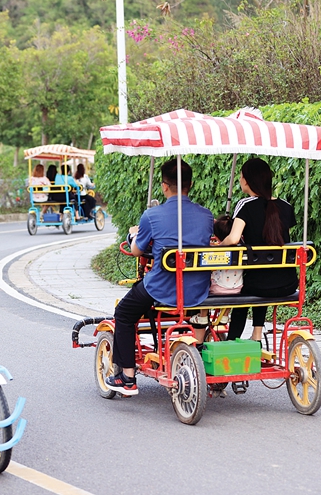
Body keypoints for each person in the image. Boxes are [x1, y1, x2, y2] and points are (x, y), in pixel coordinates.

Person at [105, 159, 214, 396]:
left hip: (162, 288)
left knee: (123, 313)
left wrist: (134, 234)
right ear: (191, 184)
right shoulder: (207, 216)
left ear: (164, 186)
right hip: (198, 289)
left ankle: (127, 377)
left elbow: (136, 250)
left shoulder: (151, 215)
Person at [219, 157, 298, 343]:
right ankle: (256, 336)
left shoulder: (245, 205)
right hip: (287, 282)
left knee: (243, 291)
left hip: (259, 285)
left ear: (247, 180)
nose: (239, 180)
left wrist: (218, 246)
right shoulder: (286, 207)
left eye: (240, 177)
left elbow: (234, 238)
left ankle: (231, 341)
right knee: (262, 276)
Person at [190, 215, 244, 342]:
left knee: (204, 281)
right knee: (231, 282)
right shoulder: (240, 250)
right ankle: (225, 315)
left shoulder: (217, 252)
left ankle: (203, 315)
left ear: (218, 237)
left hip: (217, 288)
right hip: (237, 289)